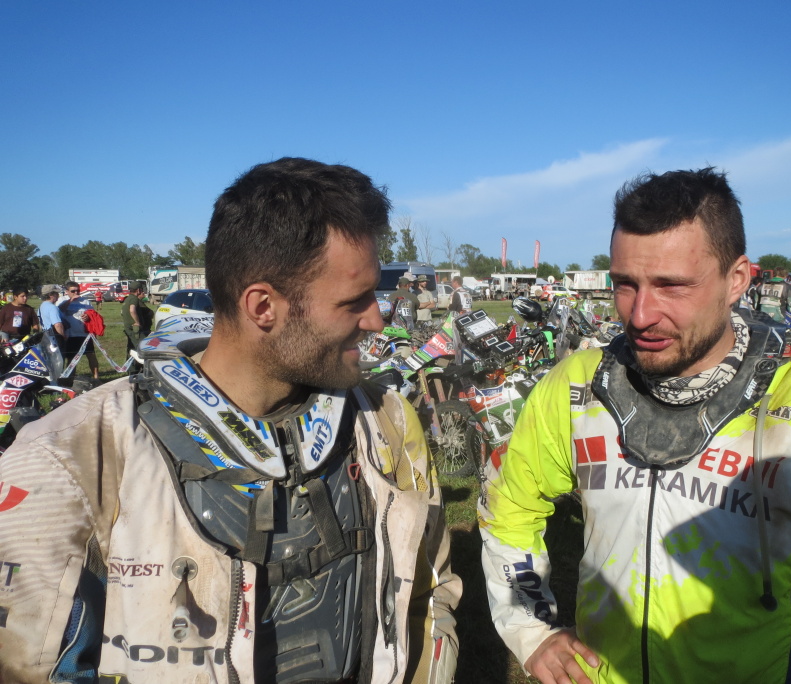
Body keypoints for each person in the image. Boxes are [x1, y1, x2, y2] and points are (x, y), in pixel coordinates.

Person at [0, 157, 460, 684]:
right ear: (263, 307)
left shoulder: (388, 423)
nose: (377, 319)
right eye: (354, 301)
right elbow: (25, 665)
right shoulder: (70, 458)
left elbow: (430, 591)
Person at [478, 168, 791, 684]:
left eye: (672, 285)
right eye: (625, 284)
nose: (641, 315)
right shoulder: (577, 386)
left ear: (737, 280)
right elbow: (510, 505)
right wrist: (532, 630)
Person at [58, 281, 100, 380]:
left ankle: (96, 378)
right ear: (67, 291)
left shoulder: (85, 301)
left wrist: (88, 316)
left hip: (85, 334)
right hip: (70, 334)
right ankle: (70, 379)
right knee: (72, 358)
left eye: (78, 290)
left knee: (91, 355)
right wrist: (70, 300)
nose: (76, 293)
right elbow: (58, 311)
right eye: (73, 291)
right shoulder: (62, 300)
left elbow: (93, 314)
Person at [122, 280, 152, 353]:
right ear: (138, 290)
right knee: (143, 348)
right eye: (141, 289)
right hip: (135, 329)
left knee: (132, 349)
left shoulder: (128, 299)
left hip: (129, 328)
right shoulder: (134, 299)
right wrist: (137, 322)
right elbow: (132, 310)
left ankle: (131, 360)